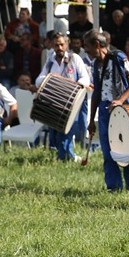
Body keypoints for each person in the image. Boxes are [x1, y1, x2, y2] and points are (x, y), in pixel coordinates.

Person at [86, 31, 129, 191]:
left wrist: (120, 100)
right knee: (107, 151)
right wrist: (91, 120)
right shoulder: (96, 64)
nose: (86, 51)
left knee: (126, 150)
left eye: (88, 46)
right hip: (105, 111)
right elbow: (97, 92)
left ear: (97, 45)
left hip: (123, 109)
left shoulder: (119, 57)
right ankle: (114, 187)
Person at [35, 31, 91, 161]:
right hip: (54, 103)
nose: (59, 48)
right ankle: (67, 156)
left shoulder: (75, 58)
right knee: (55, 134)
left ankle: (65, 158)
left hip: (71, 102)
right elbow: (38, 80)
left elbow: (85, 78)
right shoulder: (50, 61)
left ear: (66, 44)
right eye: (56, 45)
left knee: (66, 131)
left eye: (61, 44)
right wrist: (52, 78)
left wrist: (74, 85)